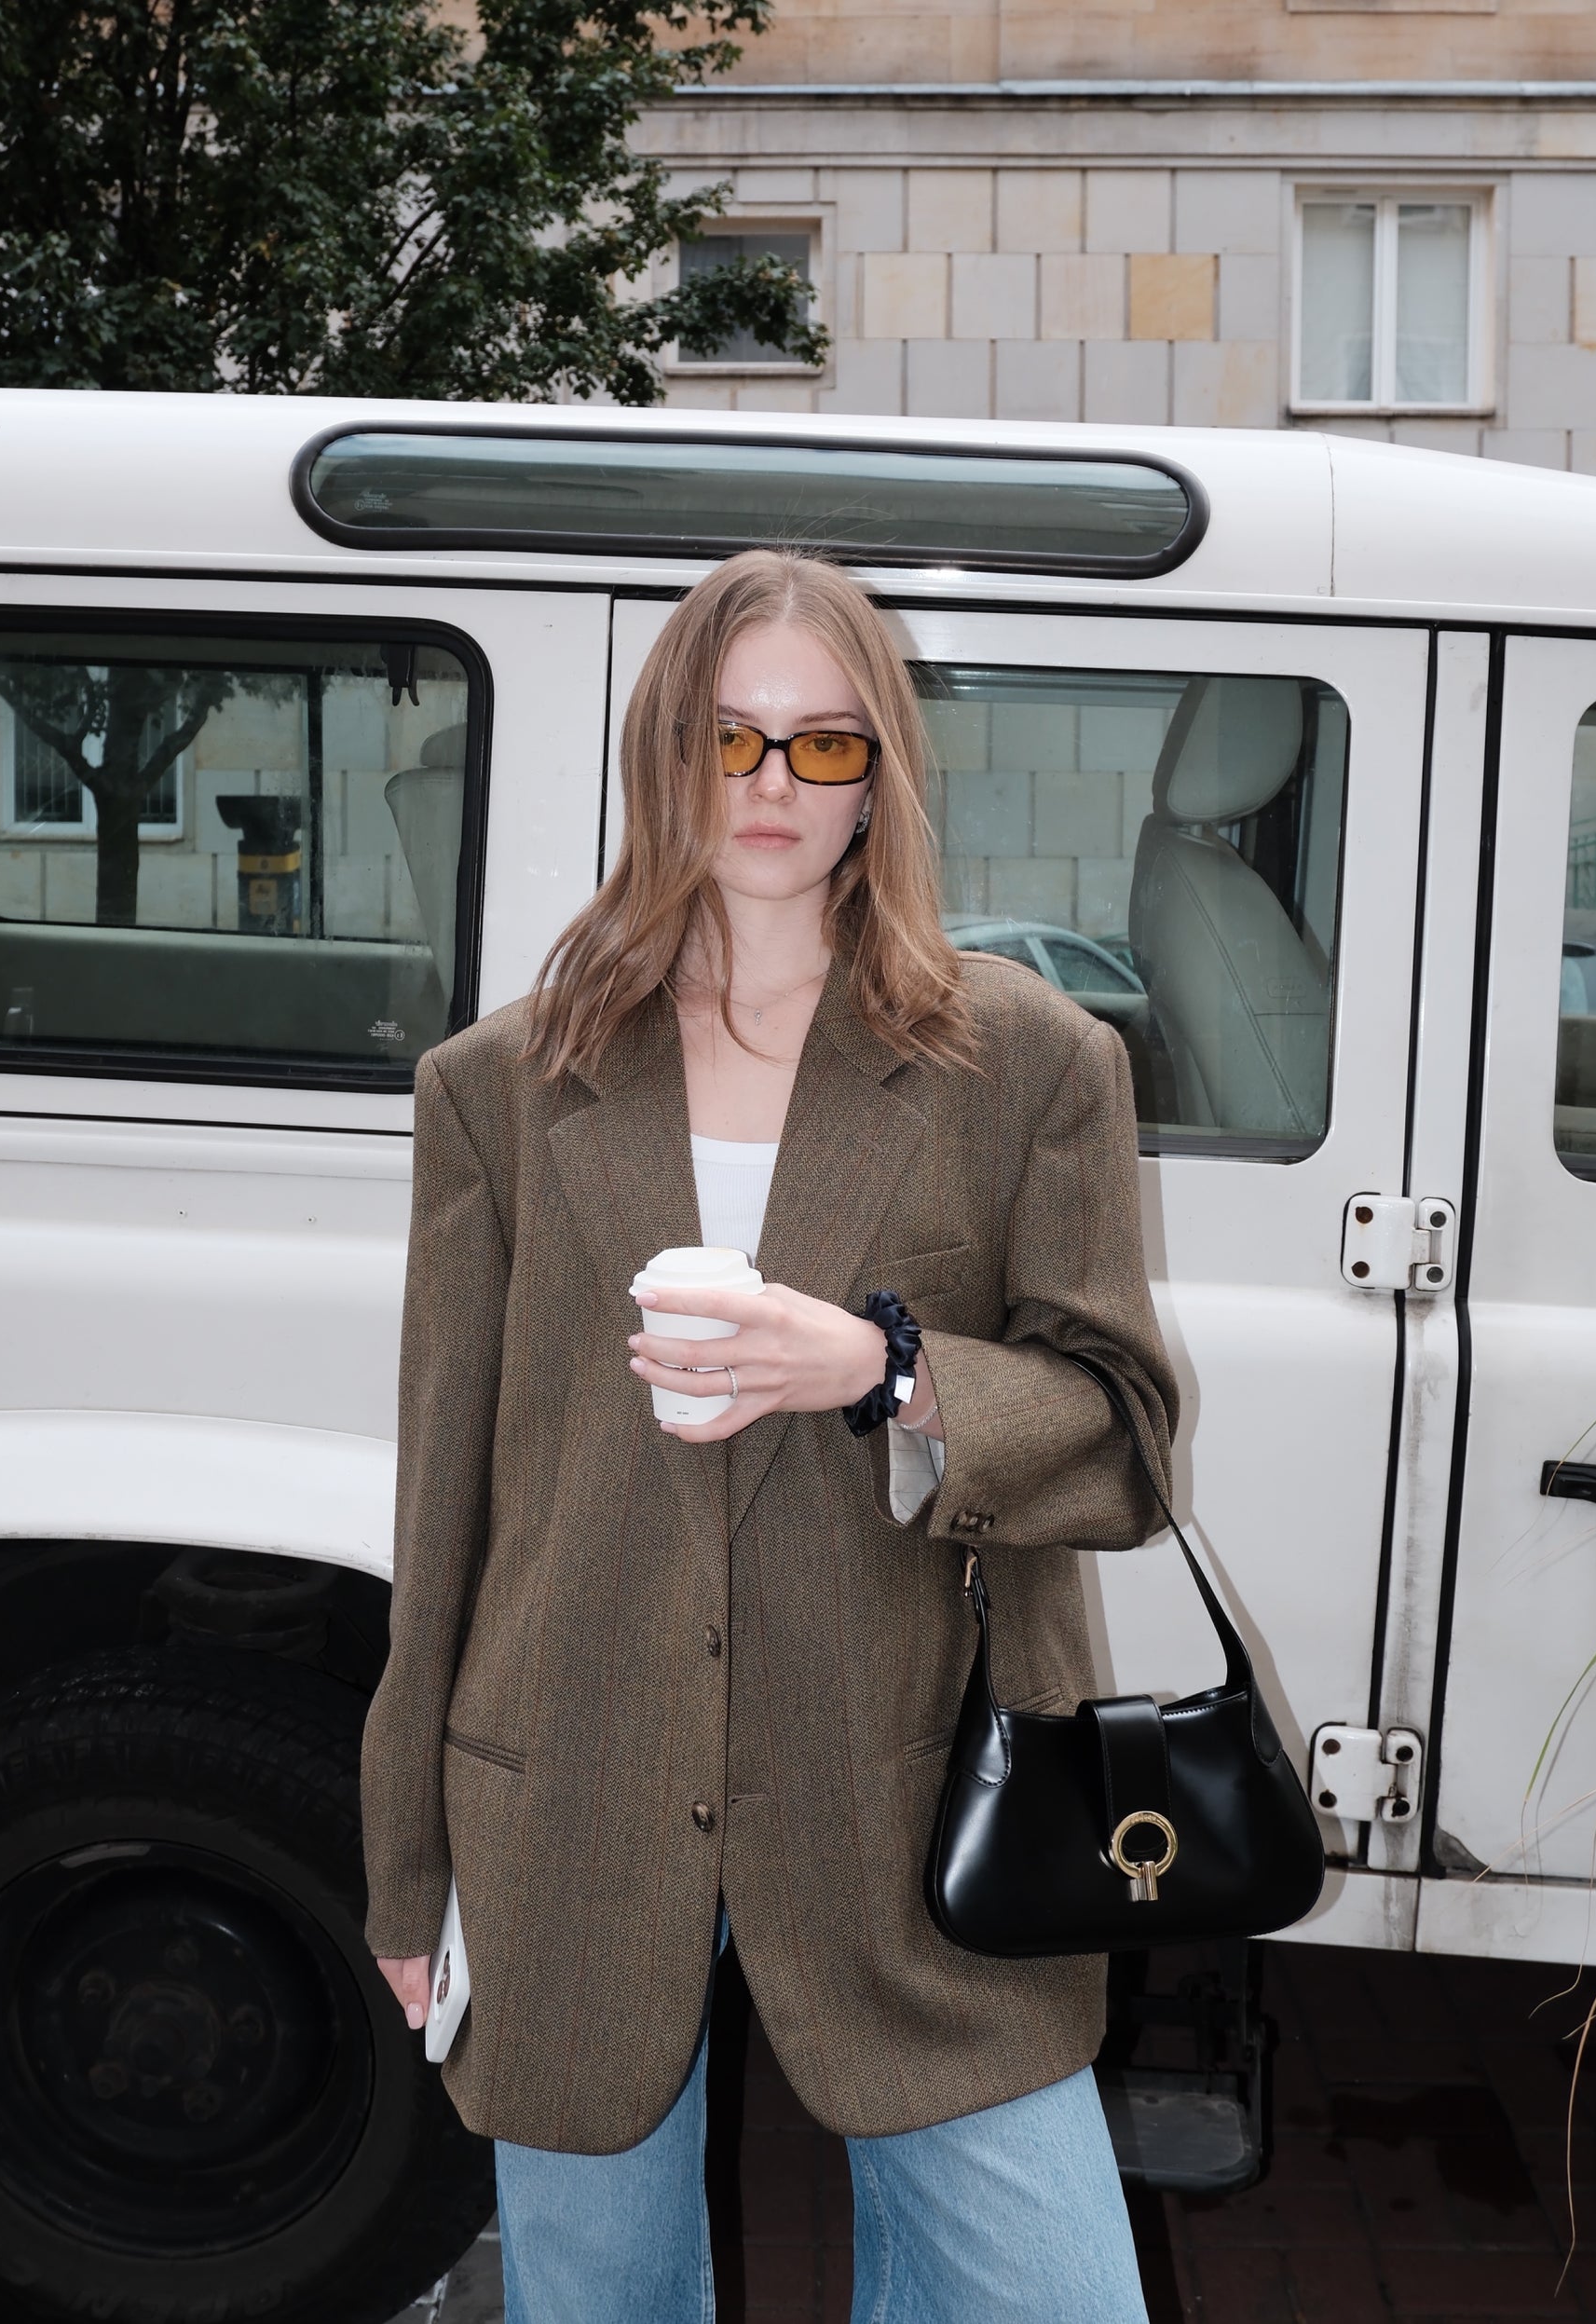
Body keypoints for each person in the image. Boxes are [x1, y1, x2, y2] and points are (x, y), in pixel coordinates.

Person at [359, 550, 1174, 2322]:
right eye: (733, 742)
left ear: (880, 769)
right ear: (667, 757)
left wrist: (881, 1367)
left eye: (822, 746)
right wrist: (407, 1861)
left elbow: (1123, 1439)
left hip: (915, 1798)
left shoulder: (1028, 1062)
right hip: (564, 1792)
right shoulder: (499, 1087)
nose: (774, 791)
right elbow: (448, 1514)